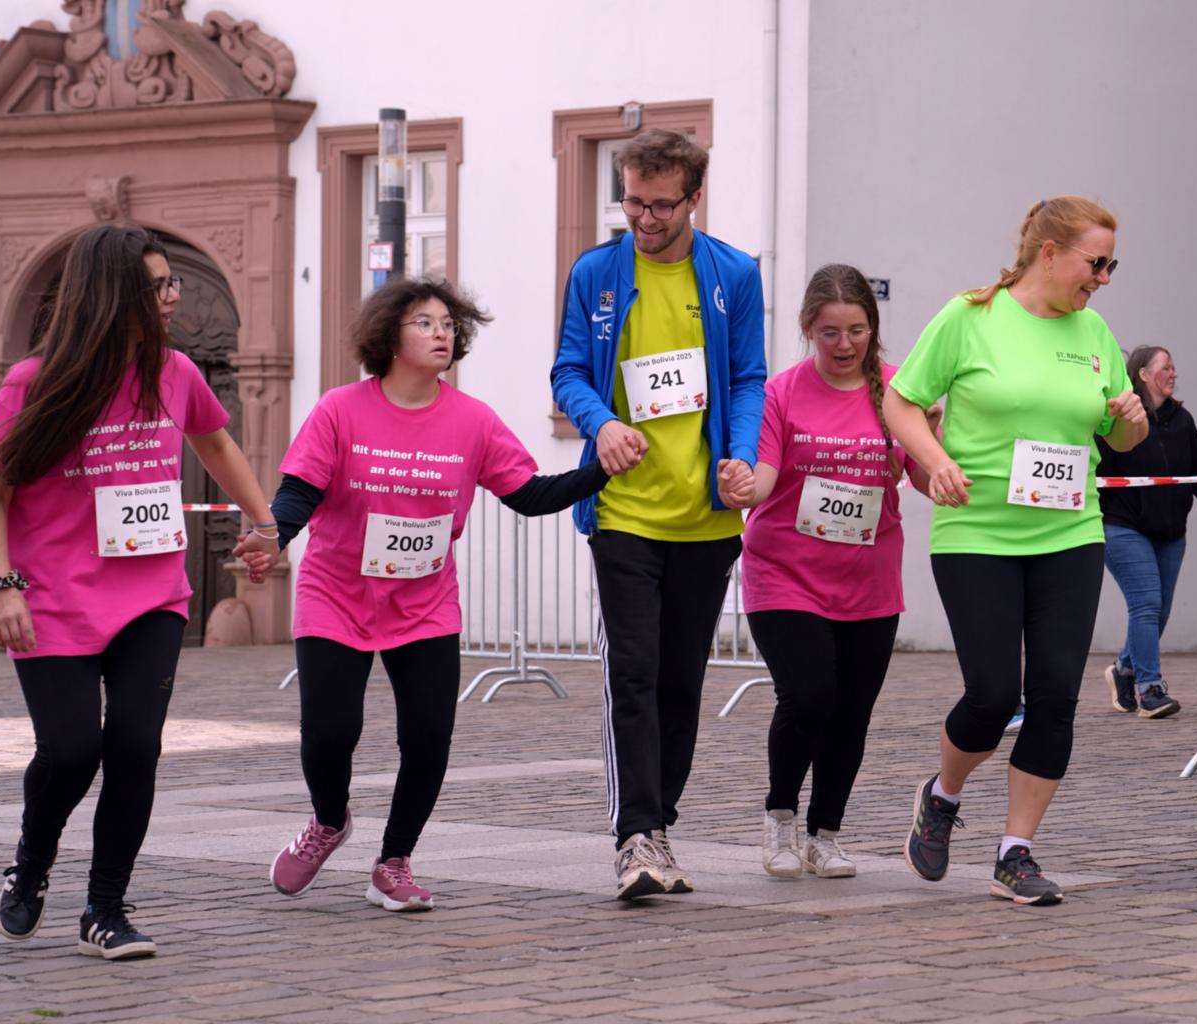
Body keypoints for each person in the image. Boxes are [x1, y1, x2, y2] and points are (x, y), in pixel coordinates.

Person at [250, 278, 612, 912]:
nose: (442, 332)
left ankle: (393, 862)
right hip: (336, 595)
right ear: (390, 336)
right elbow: (299, 493)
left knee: (428, 737)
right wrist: (271, 538)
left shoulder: (472, 420)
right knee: (330, 732)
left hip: (424, 604)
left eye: (448, 323)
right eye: (424, 322)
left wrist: (600, 469)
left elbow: (528, 495)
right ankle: (328, 822)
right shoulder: (340, 410)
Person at [0, 225, 275, 959]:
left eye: (172, 283)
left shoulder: (173, 371)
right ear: (111, 295)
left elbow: (215, 441)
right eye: (157, 286)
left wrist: (264, 519)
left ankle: (105, 908)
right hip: (50, 597)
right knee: (73, 750)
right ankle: (33, 855)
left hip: (151, 594)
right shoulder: (33, 383)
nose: (172, 296)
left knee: (136, 746)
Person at [886, 196, 1147, 906]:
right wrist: (934, 459)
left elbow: (1120, 437)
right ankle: (941, 795)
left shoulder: (1094, 331)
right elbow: (902, 401)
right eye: (1097, 263)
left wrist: (1130, 419)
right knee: (995, 694)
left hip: (1069, 532)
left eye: (1111, 264)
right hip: (978, 533)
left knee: (1057, 694)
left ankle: (1016, 852)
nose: (1103, 278)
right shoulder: (971, 317)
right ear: (1050, 252)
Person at [549, 127, 767, 899]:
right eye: (633, 201)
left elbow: (749, 379)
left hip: (705, 518)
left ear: (693, 198)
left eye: (660, 205)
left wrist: (740, 456)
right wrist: (600, 424)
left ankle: (660, 824)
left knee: (681, 682)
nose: (643, 217)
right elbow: (570, 369)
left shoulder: (733, 274)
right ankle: (634, 835)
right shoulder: (597, 273)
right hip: (624, 514)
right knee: (633, 674)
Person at [741, 264, 932, 879]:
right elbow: (765, 478)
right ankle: (779, 819)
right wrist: (743, 485)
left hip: (869, 580)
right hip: (784, 572)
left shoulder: (899, 391)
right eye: (830, 333)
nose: (845, 345)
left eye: (857, 331)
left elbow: (925, 478)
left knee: (852, 709)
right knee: (809, 694)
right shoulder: (782, 393)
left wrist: (944, 443)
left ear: (873, 330)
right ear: (807, 330)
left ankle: (826, 834)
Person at [1096, 344, 1197, 718]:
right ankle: (1149, 689)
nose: (1174, 374)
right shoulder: (1119, 417)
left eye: (1174, 368)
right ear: (1142, 374)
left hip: (1171, 530)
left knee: (1160, 611)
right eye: (1166, 368)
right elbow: (1097, 471)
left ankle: (1124, 669)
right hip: (1122, 526)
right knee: (1146, 604)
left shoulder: (1182, 419)